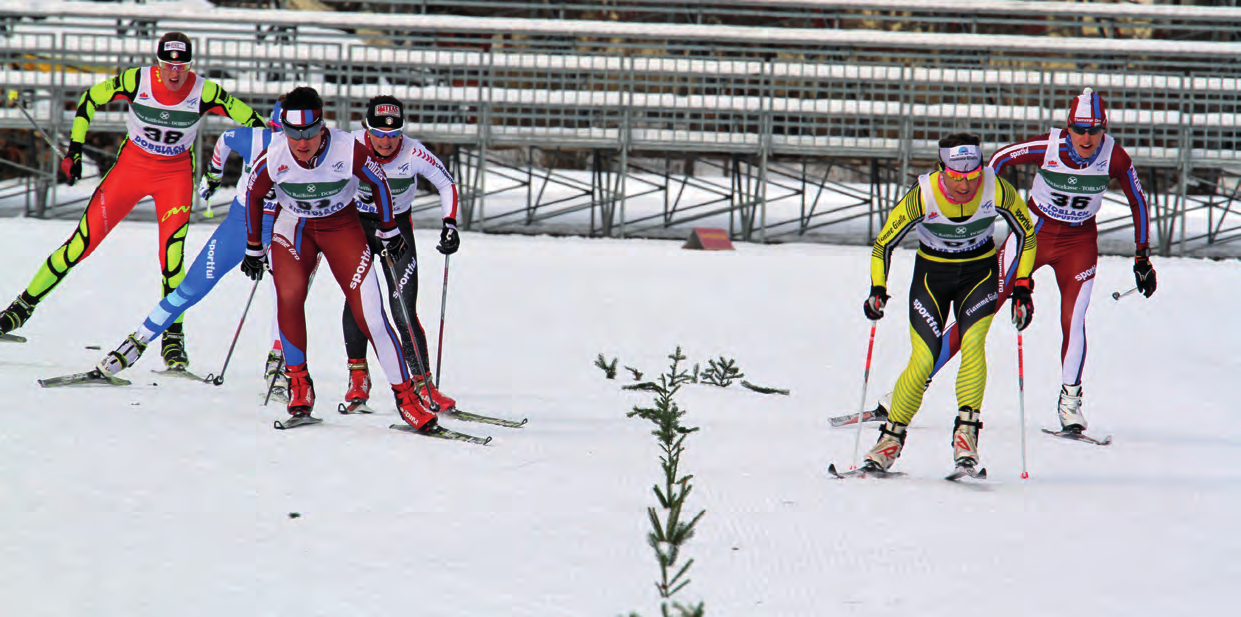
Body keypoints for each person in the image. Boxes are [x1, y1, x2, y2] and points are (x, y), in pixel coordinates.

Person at [861, 88, 1156, 435]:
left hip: (1079, 243)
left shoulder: (1115, 157)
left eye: (1094, 130)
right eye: (1079, 129)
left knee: (1073, 319)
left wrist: (1142, 257)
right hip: (1035, 235)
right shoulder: (1050, 147)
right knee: (976, 316)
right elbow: (1000, 159)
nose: (1086, 138)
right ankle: (905, 389)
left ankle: (1070, 403)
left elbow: (1137, 201)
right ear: (1068, 127)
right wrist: (992, 199)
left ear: (1104, 128)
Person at [0, 32, 266, 372]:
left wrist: (270, 160)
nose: (174, 73)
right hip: (132, 169)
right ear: (158, 63)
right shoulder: (136, 80)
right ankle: (19, 309)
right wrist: (74, 150)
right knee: (81, 243)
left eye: (181, 66)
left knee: (172, 257)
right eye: (168, 65)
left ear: (190, 65)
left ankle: (173, 338)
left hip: (175, 176)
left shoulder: (205, 91)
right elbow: (90, 98)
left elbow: (255, 124)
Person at [240, 86, 436, 430]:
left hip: (341, 227)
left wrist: (389, 231)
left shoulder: (347, 147)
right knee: (288, 298)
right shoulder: (273, 154)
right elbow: (254, 197)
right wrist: (254, 247)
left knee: (372, 316)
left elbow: (380, 184)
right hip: (295, 227)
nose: (302, 143)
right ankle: (299, 384)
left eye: (311, 133)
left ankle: (406, 398)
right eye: (294, 134)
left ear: (322, 127)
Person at [858, 132, 1037, 473]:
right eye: (956, 177)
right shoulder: (922, 195)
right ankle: (889, 442)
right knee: (924, 359)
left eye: (971, 175)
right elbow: (883, 245)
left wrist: (1023, 287)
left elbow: (1027, 234)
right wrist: (877, 288)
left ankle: (966, 440)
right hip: (932, 278)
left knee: (972, 344)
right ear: (942, 169)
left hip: (978, 276)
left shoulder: (996, 188)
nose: (965, 185)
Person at [92, 97, 287, 378]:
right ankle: (134, 344)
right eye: (281, 132)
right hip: (240, 225)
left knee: (287, 296)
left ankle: (278, 361)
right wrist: (214, 174)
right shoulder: (254, 138)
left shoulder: (311, 150)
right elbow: (225, 139)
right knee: (191, 288)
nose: (288, 143)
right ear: (272, 127)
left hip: (283, 228)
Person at [340, 95, 461, 412]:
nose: (386, 141)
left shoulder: (414, 152)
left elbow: (446, 184)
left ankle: (424, 386)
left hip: (398, 230)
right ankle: (358, 379)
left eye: (394, 135)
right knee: (360, 302)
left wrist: (450, 224)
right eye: (379, 134)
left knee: (403, 309)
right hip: (356, 228)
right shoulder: (349, 145)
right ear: (367, 128)